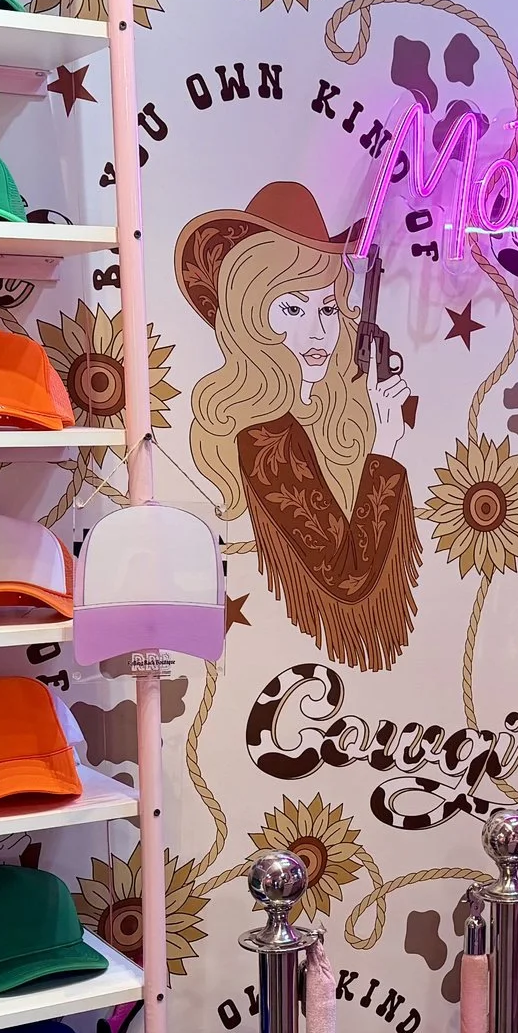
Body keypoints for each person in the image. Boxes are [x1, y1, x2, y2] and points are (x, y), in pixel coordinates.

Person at [183, 182, 420, 671]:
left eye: (328, 308)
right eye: (292, 308)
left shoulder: (324, 415)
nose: (318, 331)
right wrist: (388, 454)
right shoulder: (266, 440)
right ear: (251, 317)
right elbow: (350, 583)